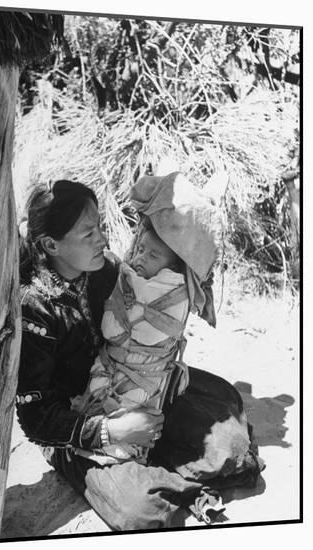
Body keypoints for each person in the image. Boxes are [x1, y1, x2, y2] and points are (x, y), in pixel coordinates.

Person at [16, 174, 264, 531]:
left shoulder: (104, 269)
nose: (102, 238)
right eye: (88, 234)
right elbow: (36, 418)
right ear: (51, 246)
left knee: (231, 444)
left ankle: (158, 456)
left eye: (99, 226)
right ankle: (170, 479)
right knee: (142, 511)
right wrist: (113, 431)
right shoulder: (34, 309)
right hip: (79, 423)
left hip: (137, 386)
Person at [70, 218, 191, 464]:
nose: (141, 258)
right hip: (145, 383)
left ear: (173, 267)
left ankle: (117, 446)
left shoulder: (156, 287)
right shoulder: (183, 291)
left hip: (129, 382)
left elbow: (111, 329)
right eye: (141, 249)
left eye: (153, 255)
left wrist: (125, 274)